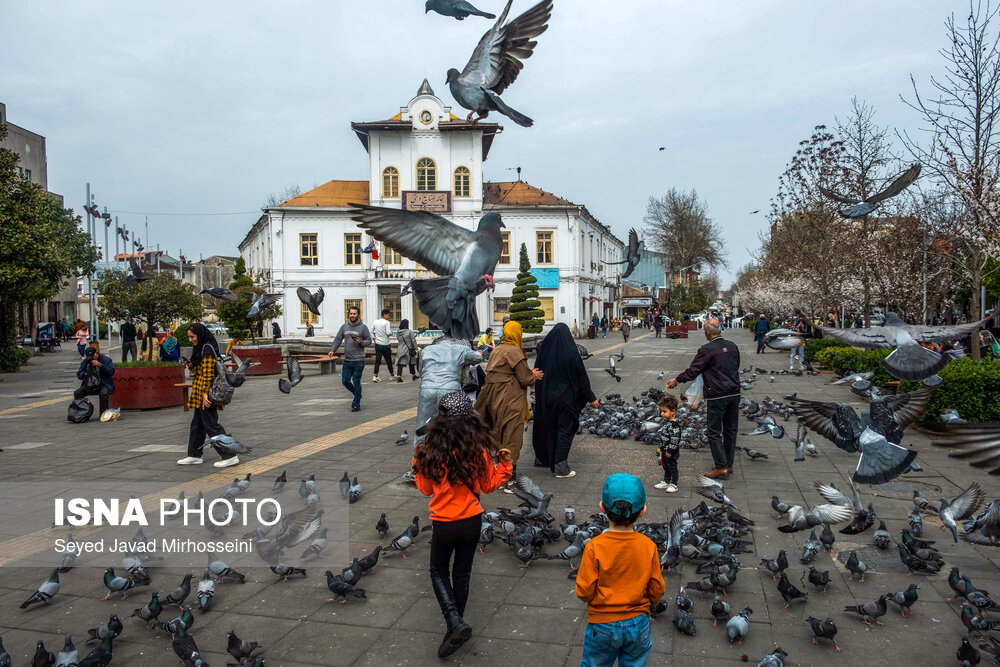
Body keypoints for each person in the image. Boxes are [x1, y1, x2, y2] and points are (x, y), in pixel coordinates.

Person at [413, 391, 513, 659]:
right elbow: (489, 486)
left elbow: (424, 489)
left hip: (443, 524)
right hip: (471, 521)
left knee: (437, 571)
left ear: (440, 420)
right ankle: (456, 624)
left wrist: (418, 463)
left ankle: (454, 622)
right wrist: (504, 465)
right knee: (462, 574)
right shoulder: (477, 451)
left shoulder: (426, 450)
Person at [575, 473, 665, 667]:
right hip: (638, 622)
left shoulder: (594, 546)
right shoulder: (648, 546)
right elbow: (657, 588)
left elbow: (584, 591)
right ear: (642, 511)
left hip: (602, 623)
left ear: (602, 508)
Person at [667, 318, 740, 479]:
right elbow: (736, 366)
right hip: (734, 393)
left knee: (714, 431)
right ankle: (728, 464)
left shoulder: (707, 350)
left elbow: (693, 371)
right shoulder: (733, 347)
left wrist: (677, 380)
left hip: (717, 395)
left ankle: (721, 467)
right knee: (730, 430)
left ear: (707, 332)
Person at [474, 321, 542, 491]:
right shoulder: (515, 352)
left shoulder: (496, 350)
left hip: (492, 399)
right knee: (512, 435)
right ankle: (509, 480)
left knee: (497, 433)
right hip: (511, 400)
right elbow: (525, 379)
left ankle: (496, 472)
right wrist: (533, 374)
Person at [405, 337, 483, 482]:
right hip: (450, 389)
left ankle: (417, 469)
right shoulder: (461, 349)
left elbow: (421, 370)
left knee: (422, 427)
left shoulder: (427, 350)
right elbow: (478, 357)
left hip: (427, 389)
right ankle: (450, 464)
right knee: (452, 427)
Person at [531, 323, 596, 479]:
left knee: (547, 428)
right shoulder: (570, 354)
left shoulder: (544, 353)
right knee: (564, 431)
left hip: (546, 399)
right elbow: (581, 378)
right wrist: (591, 398)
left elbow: (537, 374)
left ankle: (544, 458)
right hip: (565, 400)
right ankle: (560, 467)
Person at [177, 323, 234, 467]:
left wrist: (205, 394)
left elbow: (208, 375)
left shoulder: (207, 348)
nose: (190, 340)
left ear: (200, 335)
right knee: (197, 425)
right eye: (189, 337)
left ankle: (229, 455)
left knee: (211, 425)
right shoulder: (200, 348)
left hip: (205, 394)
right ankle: (194, 455)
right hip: (200, 392)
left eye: (192, 336)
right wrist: (191, 365)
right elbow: (200, 371)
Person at [328, 306, 372, 412]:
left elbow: (369, 341)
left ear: (358, 315)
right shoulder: (344, 327)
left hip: (359, 360)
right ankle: (358, 394)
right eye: (351, 314)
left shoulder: (363, 327)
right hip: (347, 360)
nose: (352, 315)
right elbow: (338, 339)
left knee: (356, 381)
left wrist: (360, 342)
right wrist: (332, 350)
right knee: (345, 381)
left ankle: (356, 403)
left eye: (354, 314)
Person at [75, 341, 115, 415]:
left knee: (103, 393)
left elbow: (111, 371)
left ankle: (103, 414)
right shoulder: (85, 361)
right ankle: (81, 413)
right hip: (89, 384)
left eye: (93, 356)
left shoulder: (106, 360)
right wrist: (84, 374)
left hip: (103, 383)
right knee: (77, 393)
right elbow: (79, 374)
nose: (91, 359)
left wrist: (101, 365)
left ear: (96, 353)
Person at [654, 394, 682, 493]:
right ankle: (666, 481)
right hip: (664, 449)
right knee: (665, 466)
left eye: (664, 411)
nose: (662, 413)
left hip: (671, 451)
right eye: (661, 411)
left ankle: (674, 483)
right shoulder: (666, 422)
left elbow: (675, 439)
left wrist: (670, 450)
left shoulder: (674, 426)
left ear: (673, 411)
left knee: (672, 466)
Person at [371, 309, 394, 382]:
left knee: (378, 360)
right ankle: (392, 375)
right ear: (385, 315)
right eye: (388, 315)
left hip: (378, 344)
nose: (389, 316)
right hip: (386, 344)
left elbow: (371, 331)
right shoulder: (387, 322)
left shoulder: (375, 322)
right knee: (388, 360)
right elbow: (388, 332)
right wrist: (391, 333)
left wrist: (373, 338)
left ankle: (375, 375)